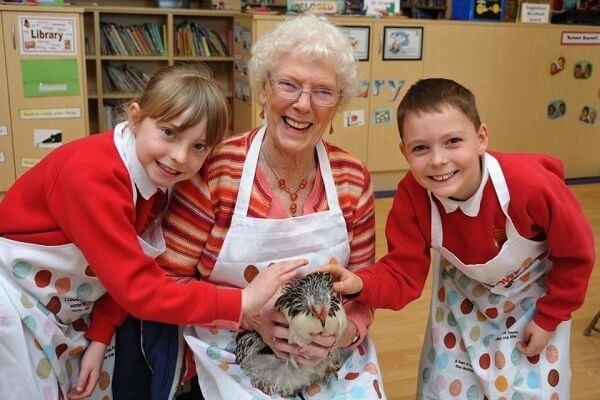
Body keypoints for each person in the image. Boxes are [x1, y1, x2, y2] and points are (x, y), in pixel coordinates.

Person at [89, 13, 386, 400]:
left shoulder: (353, 179)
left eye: (323, 92)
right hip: (227, 349)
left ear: (338, 105)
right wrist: (251, 316)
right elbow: (168, 280)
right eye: (288, 85)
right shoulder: (217, 170)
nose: (302, 104)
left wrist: (340, 333)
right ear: (263, 90)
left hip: (330, 358)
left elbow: (364, 290)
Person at [0, 62, 305, 400]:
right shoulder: (92, 177)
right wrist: (241, 301)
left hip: (67, 306)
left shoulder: (161, 181)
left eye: (199, 146)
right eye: (169, 132)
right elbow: (138, 288)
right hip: (15, 299)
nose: (178, 157)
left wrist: (100, 335)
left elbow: (129, 268)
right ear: (135, 118)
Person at [319, 78, 595, 399]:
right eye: (421, 148)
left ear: (481, 139)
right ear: (404, 152)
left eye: (452, 141)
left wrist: (551, 317)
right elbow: (402, 274)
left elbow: (577, 255)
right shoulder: (413, 196)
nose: (438, 160)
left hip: (535, 302)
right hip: (462, 303)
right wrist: (360, 283)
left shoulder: (530, 186)